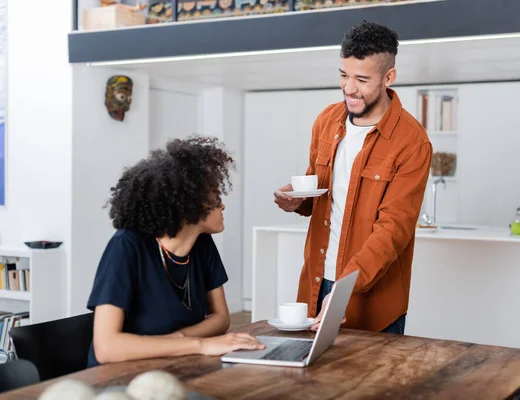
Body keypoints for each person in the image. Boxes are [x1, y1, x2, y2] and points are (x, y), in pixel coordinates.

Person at [274, 21, 432, 335]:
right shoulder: (327, 121)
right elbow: (319, 194)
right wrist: (297, 202)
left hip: (372, 298)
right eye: (344, 75)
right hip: (316, 283)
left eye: (361, 79)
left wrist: (347, 287)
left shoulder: (412, 142)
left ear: (389, 77)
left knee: (369, 384)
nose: (349, 88)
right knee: (311, 381)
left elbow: (394, 229)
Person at [87, 136, 264, 367]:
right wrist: (200, 345)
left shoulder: (203, 244)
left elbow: (221, 318)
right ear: (190, 202)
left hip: (174, 364)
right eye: (216, 196)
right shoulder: (126, 246)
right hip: (119, 378)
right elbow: (106, 348)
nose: (223, 205)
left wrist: (175, 341)